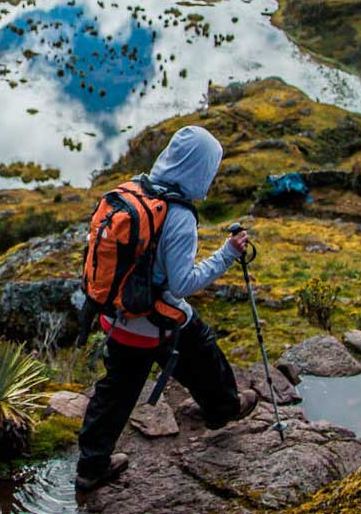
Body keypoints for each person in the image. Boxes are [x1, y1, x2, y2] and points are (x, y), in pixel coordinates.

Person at [75, 125, 258, 494]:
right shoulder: (179, 216)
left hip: (116, 314)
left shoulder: (133, 190)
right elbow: (182, 285)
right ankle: (223, 409)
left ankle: (91, 466)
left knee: (115, 392)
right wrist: (228, 254)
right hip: (155, 323)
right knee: (200, 345)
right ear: (199, 168)